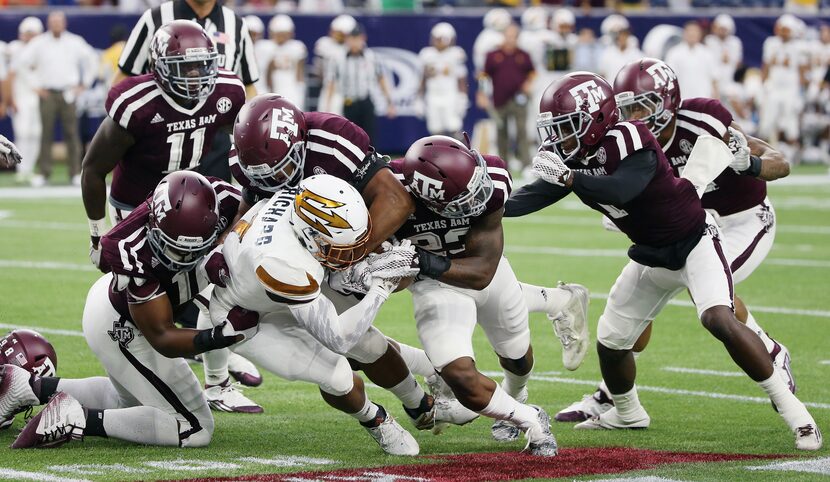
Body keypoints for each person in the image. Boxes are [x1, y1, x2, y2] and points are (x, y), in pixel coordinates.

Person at [504, 71, 822, 451]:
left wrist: (571, 179)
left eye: (568, 126)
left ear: (597, 118)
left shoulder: (631, 137)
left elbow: (625, 187)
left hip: (694, 241)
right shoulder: (571, 156)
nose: (559, 137)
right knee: (613, 341)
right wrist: (487, 207)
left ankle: (796, 413)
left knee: (718, 317)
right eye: (555, 129)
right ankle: (627, 412)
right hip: (650, 255)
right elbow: (532, 197)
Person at [207, 95, 478, 433]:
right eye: (265, 175)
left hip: (349, 240)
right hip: (292, 254)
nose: (277, 182)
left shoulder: (332, 140)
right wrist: (228, 241)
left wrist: (351, 258)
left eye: (284, 171)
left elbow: (396, 200)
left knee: (360, 342)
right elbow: (253, 200)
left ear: (300, 144)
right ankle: (425, 392)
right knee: (345, 349)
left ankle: (422, 400)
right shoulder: (249, 161)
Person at [556, 58, 796, 423]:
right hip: (682, 227)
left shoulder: (702, 120)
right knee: (635, 307)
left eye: (643, 105)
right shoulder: (628, 140)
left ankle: (772, 353)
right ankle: (612, 393)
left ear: (668, 100)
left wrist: (752, 165)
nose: (635, 114)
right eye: (627, 107)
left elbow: (780, 161)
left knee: (710, 286)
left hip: (741, 220)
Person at [3, 171, 252, 449]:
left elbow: (246, 212)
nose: (178, 259)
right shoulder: (130, 249)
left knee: (126, 402)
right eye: (173, 247)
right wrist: (220, 337)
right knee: (195, 428)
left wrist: (228, 240)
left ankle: (26, 387)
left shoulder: (226, 201)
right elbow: (162, 337)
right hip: (125, 325)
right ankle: (77, 419)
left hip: (110, 305)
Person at [209, 175, 422, 455]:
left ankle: (426, 382)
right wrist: (381, 287)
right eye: (344, 249)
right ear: (310, 237)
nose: (353, 255)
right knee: (337, 377)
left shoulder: (299, 202)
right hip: (248, 319)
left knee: (368, 342)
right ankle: (375, 419)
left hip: (270, 289)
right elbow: (339, 340)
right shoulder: (283, 263)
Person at [386, 135, 558, 457]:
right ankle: (530, 419)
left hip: (487, 274)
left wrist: (420, 259)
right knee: (460, 376)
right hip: (434, 287)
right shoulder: (389, 193)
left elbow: (482, 272)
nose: (475, 202)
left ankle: (516, 394)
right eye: (461, 201)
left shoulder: (492, 178)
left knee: (518, 358)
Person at [115, 0, 260, 182]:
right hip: (161, 134)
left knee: (217, 204)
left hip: (215, 133)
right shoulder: (154, 18)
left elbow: (248, 84)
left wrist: (251, 131)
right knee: (155, 206)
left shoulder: (236, 25)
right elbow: (125, 76)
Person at [10, 11, 96, 187]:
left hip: (68, 93)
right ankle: (44, 173)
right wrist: (35, 86)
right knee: (45, 134)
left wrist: (85, 84)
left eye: (59, 22)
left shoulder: (74, 42)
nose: (56, 25)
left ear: (64, 23)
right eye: (53, 22)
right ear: (48, 24)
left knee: (72, 134)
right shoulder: (39, 43)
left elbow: (92, 59)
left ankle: (74, 173)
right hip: (47, 93)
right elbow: (22, 63)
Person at [323, 24, 396, 140]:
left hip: (366, 101)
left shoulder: (372, 57)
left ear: (363, 38)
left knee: (370, 136)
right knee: (350, 137)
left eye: (357, 39)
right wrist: (327, 105)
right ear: (347, 39)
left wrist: (390, 102)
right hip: (348, 102)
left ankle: (371, 158)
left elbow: (381, 79)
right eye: (352, 39)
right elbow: (331, 83)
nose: (354, 42)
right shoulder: (338, 58)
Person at [479, 23, 536, 169]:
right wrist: (482, 94)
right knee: (501, 132)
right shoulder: (493, 55)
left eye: (514, 36)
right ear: (504, 36)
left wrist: (528, 84)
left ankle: (526, 164)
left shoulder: (523, 54)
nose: (511, 39)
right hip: (500, 99)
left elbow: (532, 72)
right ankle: (502, 164)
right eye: (509, 35)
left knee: (521, 131)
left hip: (519, 98)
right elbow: (484, 76)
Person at [0, 17, 43, 184]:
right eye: (28, 33)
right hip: (21, 98)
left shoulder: (43, 49)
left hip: (37, 98)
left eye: (33, 34)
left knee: (36, 134)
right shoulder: (14, 49)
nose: (30, 37)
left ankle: (30, 168)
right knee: (22, 133)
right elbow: (9, 76)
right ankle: (21, 168)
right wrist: (10, 99)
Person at [760, 14, 809, 159]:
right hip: (774, 87)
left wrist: (802, 92)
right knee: (767, 122)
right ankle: (766, 155)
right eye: (782, 29)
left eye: (786, 29)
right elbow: (766, 66)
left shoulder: (799, 46)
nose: (783, 32)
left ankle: (793, 156)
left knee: (790, 122)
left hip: (790, 89)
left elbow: (802, 70)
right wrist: (762, 85)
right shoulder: (771, 43)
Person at [418, 22, 468, 137]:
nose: (439, 41)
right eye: (437, 38)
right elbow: (423, 78)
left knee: (454, 127)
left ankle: (458, 154)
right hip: (433, 95)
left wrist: (463, 97)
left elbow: (461, 79)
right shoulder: (427, 54)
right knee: (435, 129)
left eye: (442, 38)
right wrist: (419, 98)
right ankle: (438, 155)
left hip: (450, 94)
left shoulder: (456, 54)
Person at [313, 14, 356, 115]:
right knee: (324, 117)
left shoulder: (352, 47)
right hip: (328, 87)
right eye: (335, 31)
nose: (335, 34)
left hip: (348, 91)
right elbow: (319, 69)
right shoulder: (324, 44)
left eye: (340, 33)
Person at [665, 21, 718, 100]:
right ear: (684, 33)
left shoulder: (707, 53)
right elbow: (669, 78)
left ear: (700, 34)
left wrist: (716, 97)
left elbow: (714, 78)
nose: (692, 34)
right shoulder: (674, 53)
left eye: (695, 32)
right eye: (689, 31)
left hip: (704, 99)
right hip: (682, 100)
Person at [265, 15, 307, 110]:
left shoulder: (297, 47)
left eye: (284, 34)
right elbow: (267, 73)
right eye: (279, 34)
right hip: (274, 86)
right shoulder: (266, 47)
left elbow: (299, 72)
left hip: (291, 87)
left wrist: (300, 88)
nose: (281, 37)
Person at [705, 14, 743, 100]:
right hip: (711, 82)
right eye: (720, 29)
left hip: (729, 81)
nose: (722, 31)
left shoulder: (735, 43)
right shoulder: (709, 41)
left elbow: (737, 63)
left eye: (724, 29)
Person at [597, 15, 642, 81]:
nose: (622, 38)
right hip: (612, 88)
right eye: (620, 36)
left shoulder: (637, 54)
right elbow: (602, 74)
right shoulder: (608, 53)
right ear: (617, 38)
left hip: (630, 89)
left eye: (624, 35)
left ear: (628, 36)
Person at [243, 15, 269, 95]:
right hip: (242, 90)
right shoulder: (236, 47)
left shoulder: (267, 48)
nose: (253, 37)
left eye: (256, 34)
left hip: (261, 90)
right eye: (250, 33)